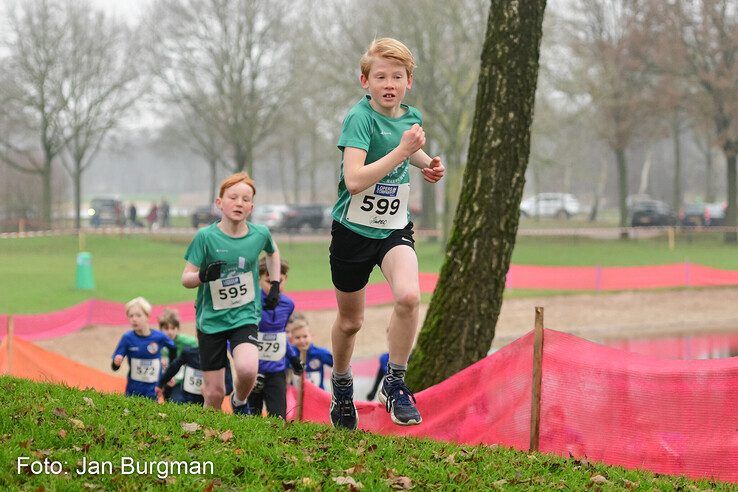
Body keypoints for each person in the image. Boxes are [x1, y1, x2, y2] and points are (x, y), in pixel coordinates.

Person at [328, 38, 445, 429]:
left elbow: (407, 149)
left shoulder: (410, 115)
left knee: (410, 296)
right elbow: (355, 180)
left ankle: (395, 384)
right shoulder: (358, 118)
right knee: (351, 322)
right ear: (365, 81)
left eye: (397, 76)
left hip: (393, 227)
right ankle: (342, 386)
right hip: (352, 231)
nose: (389, 83)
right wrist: (403, 151)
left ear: (409, 81)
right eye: (380, 77)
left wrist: (427, 164)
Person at [181, 172, 282, 414]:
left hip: (244, 315)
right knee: (214, 394)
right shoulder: (205, 237)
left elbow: (273, 252)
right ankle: (209, 434)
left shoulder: (260, 234)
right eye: (233, 197)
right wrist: (203, 276)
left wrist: (275, 283)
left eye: (245, 199)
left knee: (248, 369)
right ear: (219, 203)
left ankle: (239, 401)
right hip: (211, 320)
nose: (239, 203)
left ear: (251, 207)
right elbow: (185, 279)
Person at [247, 257, 303, 419]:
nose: (274, 287)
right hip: (253, 370)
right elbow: (235, 335)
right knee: (251, 418)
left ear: (285, 279)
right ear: (259, 279)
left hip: (277, 370)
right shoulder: (249, 302)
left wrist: (293, 359)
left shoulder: (288, 305)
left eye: (279, 281)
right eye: (268, 281)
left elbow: (280, 336)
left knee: (278, 418)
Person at [111, 297, 176, 400]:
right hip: (132, 392)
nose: (134, 319)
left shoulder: (159, 337)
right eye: (131, 316)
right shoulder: (127, 338)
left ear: (147, 316)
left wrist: (169, 370)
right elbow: (114, 367)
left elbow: (174, 349)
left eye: (138, 315)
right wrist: (116, 362)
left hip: (153, 392)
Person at [155, 346, 234, 405]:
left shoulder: (222, 358)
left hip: (208, 402)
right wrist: (160, 384)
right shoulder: (189, 353)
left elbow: (229, 387)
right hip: (186, 399)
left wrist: (213, 391)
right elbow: (173, 368)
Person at [158, 308, 198, 402]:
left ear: (178, 328)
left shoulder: (187, 342)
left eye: (173, 328)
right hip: (163, 380)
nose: (170, 332)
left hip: (180, 381)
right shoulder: (157, 342)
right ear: (161, 329)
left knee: (176, 401)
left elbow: (199, 345)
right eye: (166, 328)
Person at [290, 318, 333, 390]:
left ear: (311, 336)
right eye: (297, 337)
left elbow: (338, 364)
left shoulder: (320, 353)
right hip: (296, 398)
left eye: (305, 336)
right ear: (291, 339)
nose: (302, 340)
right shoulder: (290, 355)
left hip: (317, 397)